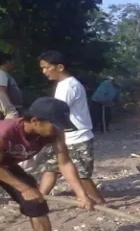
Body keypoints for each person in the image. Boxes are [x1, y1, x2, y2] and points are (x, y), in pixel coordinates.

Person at [0, 97, 94, 231]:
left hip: (5, 165)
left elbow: (65, 163)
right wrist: (24, 188)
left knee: (35, 202)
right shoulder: (1, 134)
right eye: (55, 125)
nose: (58, 129)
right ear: (35, 121)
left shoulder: (54, 133)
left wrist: (81, 194)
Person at [37, 50, 105, 204]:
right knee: (51, 168)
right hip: (65, 136)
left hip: (76, 137)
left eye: (46, 67)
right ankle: (38, 200)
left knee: (81, 174)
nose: (44, 71)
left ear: (59, 67)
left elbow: (56, 112)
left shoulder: (68, 86)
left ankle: (98, 201)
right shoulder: (65, 85)